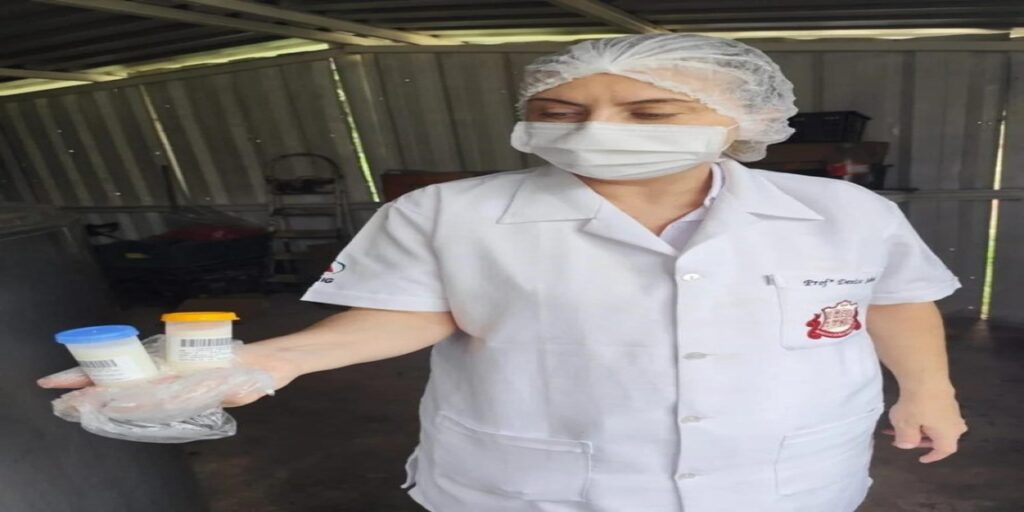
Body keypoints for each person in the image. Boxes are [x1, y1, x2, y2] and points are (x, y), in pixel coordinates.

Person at [41, 34, 968, 512]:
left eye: (648, 113)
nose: (597, 130)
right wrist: (270, 361)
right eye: (562, 111)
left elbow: (894, 297)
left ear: (745, 121)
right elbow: (416, 313)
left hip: (782, 483)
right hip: (537, 487)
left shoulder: (842, 212)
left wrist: (929, 390)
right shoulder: (451, 213)